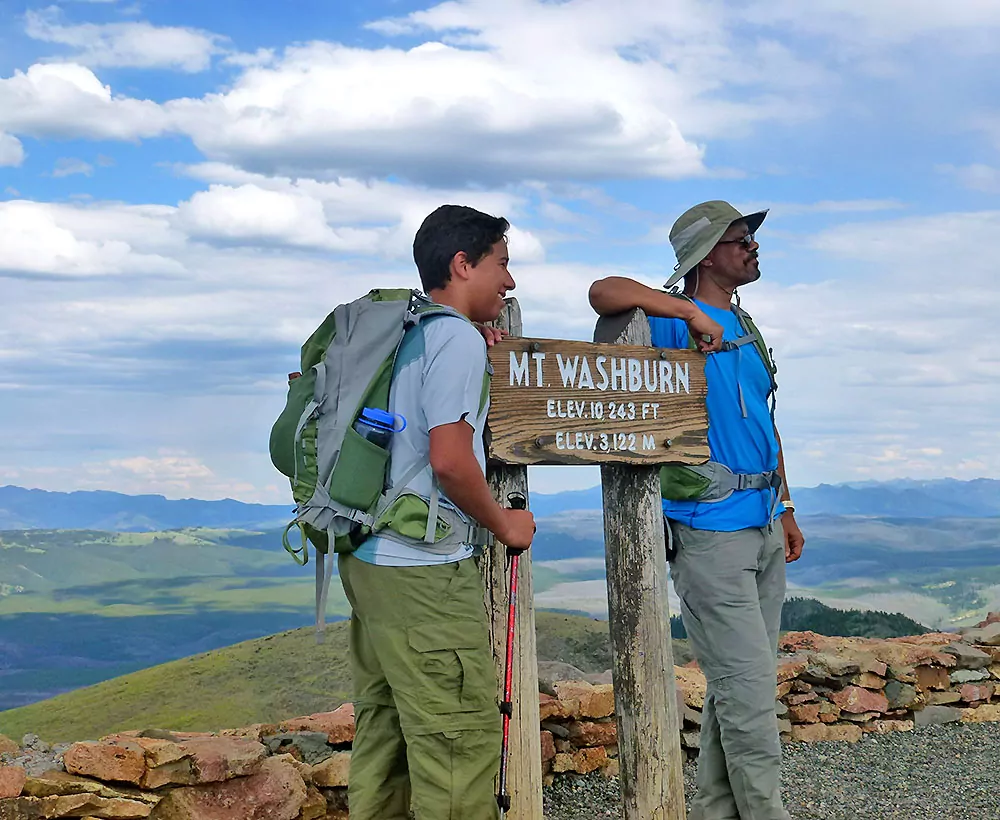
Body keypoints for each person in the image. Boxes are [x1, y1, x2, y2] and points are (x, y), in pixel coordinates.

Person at [589, 200, 805, 820]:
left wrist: (786, 507)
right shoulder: (669, 322)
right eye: (741, 240)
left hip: (762, 525)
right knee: (750, 693)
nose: (752, 248)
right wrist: (685, 309)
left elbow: (766, 422)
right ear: (707, 254)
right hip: (709, 534)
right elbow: (602, 290)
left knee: (738, 688)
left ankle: (716, 810)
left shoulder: (747, 325)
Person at [339, 205, 536, 820]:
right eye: (501, 264)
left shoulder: (410, 332)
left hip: (369, 556)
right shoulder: (451, 338)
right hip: (421, 570)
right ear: (462, 263)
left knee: (388, 733)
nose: (509, 282)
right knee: (458, 740)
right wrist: (505, 524)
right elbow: (450, 461)